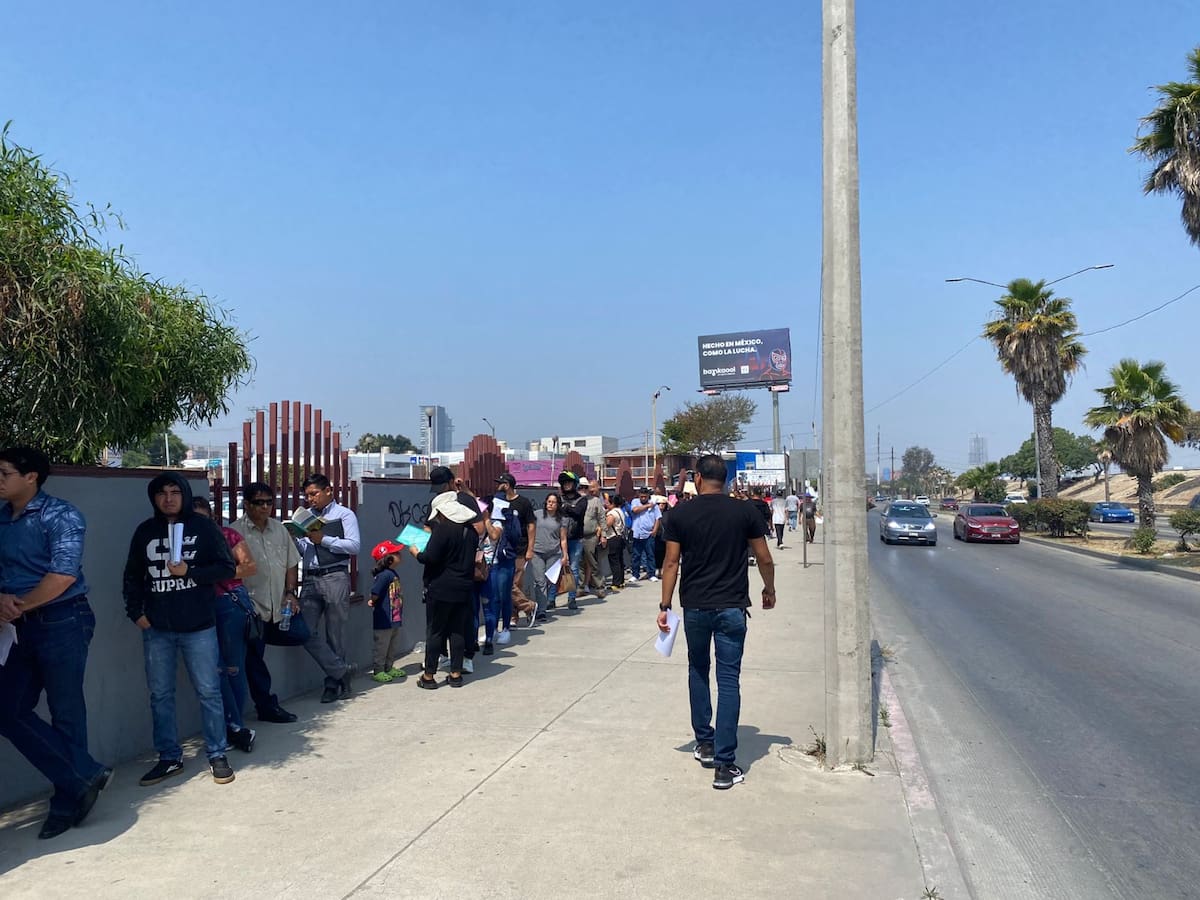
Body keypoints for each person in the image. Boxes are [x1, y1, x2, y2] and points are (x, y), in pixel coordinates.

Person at [0, 447, 111, 840]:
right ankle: (86, 773)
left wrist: (21, 604)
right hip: (16, 628)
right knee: (7, 709)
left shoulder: (60, 515)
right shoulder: (0, 518)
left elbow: (63, 574)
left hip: (62, 620)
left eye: (4, 473)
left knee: (66, 711)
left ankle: (67, 803)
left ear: (31, 477)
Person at [658, 453, 776, 790]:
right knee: (728, 680)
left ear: (697, 478)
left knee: (698, 670)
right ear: (724, 480)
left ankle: (705, 744)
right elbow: (764, 557)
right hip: (731, 608)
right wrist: (769, 589)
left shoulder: (680, 513)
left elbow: (670, 563)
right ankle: (724, 767)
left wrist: (664, 605)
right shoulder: (745, 512)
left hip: (695, 607)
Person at [123, 472, 237, 787]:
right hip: (157, 627)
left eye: (175, 492)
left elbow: (226, 568)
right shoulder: (145, 531)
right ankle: (169, 757)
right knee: (160, 695)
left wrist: (191, 571)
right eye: (162, 493)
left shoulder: (203, 528)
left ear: (185, 495)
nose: (169, 498)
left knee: (209, 692)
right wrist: (136, 613)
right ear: (154, 498)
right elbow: (132, 575)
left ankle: (217, 753)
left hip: (198, 625)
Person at [229, 481, 308, 724]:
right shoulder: (235, 532)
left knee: (302, 634)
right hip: (253, 608)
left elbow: (291, 562)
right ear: (247, 505)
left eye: (268, 502)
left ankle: (264, 703)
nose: (265, 507)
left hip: (279, 606)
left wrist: (291, 592)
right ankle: (266, 706)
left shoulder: (279, 530)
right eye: (259, 503)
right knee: (254, 662)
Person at [192, 496, 258, 754]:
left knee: (233, 667)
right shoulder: (182, 541)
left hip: (229, 603)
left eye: (202, 516)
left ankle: (235, 725)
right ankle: (230, 727)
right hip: (199, 605)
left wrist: (215, 573)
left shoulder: (226, 535)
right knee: (213, 670)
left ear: (211, 516)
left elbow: (250, 567)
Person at [297, 473, 359, 703]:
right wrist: (296, 538)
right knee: (303, 631)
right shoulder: (306, 517)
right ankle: (341, 671)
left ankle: (333, 684)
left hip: (335, 576)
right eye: (307, 495)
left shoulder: (344, 515)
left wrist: (323, 539)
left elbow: (354, 546)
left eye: (314, 494)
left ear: (328, 491)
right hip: (311, 578)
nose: (311, 499)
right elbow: (304, 551)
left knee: (335, 634)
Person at [411, 488, 479, 689]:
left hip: (441, 587)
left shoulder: (443, 530)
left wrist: (415, 551)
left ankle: (429, 676)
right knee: (457, 631)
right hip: (464, 586)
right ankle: (456, 674)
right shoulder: (471, 531)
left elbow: (429, 558)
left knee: (435, 631)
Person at [495, 473, 537, 628]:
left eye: (500, 483)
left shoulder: (523, 503)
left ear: (507, 485)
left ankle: (520, 612)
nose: (497, 486)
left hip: (520, 548)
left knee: (513, 583)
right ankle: (526, 608)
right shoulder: (499, 502)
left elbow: (531, 526)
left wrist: (530, 549)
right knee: (507, 584)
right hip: (502, 550)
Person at [367, 540, 406, 683]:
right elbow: (375, 592)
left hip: (394, 617)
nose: (399, 554)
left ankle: (389, 667)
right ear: (388, 559)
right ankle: (378, 670)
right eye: (396, 553)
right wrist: (373, 600)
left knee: (392, 644)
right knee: (382, 646)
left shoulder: (392, 573)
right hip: (384, 618)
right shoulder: (384, 575)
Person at [529, 493, 568, 621]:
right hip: (537, 552)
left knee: (550, 581)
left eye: (554, 502)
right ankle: (541, 610)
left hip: (554, 553)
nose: (550, 504)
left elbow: (563, 538)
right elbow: (529, 530)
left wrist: (565, 555)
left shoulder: (561, 519)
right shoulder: (537, 514)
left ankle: (543, 603)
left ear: (558, 505)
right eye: (549, 501)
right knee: (539, 581)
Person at [556, 471, 587, 610]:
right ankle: (551, 598)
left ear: (575, 484)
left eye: (569, 482)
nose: (566, 485)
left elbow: (578, 512)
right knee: (556, 569)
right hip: (558, 539)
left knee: (573, 568)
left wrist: (565, 507)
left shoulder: (582, 499)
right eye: (564, 483)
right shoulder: (558, 498)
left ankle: (572, 598)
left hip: (576, 539)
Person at [579, 478, 607, 598]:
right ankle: (580, 587)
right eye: (581, 487)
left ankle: (600, 587)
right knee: (578, 563)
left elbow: (602, 518)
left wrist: (603, 535)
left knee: (593, 562)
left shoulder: (595, 501)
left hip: (591, 536)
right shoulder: (574, 501)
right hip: (577, 536)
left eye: (586, 487)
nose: (583, 490)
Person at [629, 486, 661, 581]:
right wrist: (647, 506)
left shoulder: (654, 505)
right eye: (641, 496)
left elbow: (657, 518)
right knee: (636, 555)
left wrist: (655, 530)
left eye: (645, 497)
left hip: (649, 533)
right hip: (637, 533)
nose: (643, 498)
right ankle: (635, 574)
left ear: (648, 496)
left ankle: (651, 574)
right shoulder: (635, 502)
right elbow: (635, 510)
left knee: (650, 554)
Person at [601, 492, 626, 592]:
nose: (606, 504)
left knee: (614, 561)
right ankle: (621, 581)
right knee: (620, 560)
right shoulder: (620, 511)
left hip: (613, 538)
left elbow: (607, 525)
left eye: (608, 503)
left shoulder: (612, 514)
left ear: (612, 503)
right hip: (620, 537)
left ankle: (616, 583)